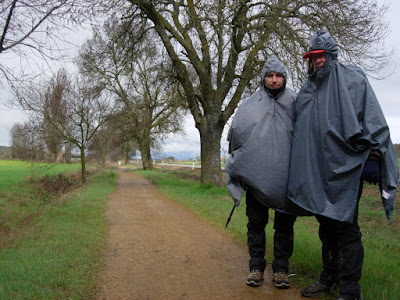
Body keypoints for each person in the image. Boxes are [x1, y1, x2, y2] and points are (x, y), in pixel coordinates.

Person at [287, 30, 399, 300]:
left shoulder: (353, 80)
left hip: (346, 170)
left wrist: (376, 155)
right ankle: (329, 277)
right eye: (314, 57)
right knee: (326, 227)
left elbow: (374, 120)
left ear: (331, 55)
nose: (318, 61)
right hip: (317, 171)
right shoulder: (306, 90)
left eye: (322, 55)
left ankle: (351, 290)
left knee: (346, 226)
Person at [225, 56, 307, 289]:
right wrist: (240, 168)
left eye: (278, 76)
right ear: (263, 78)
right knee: (256, 223)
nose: (274, 80)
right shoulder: (249, 105)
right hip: (255, 178)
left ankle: (281, 269)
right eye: (269, 76)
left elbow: (307, 136)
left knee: (284, 226)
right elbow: (237, 137)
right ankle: (256, 267)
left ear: (284, 77)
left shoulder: (296, 102)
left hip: (286, 180)